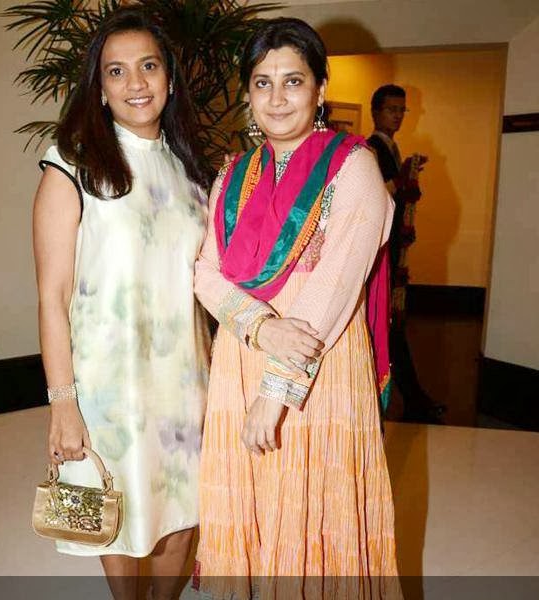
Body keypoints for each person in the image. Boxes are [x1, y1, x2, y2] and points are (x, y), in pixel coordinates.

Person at [187, 18, 403, 600]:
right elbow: (205, 274)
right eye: (262, 83)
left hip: (318, 362)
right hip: (245, 351)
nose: (276, 98)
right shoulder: (231, 175)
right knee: (254, 492)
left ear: (320, 88)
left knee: (312, 500)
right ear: (248, 93)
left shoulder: (353, 168)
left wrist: (276, 387)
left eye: (293, 81)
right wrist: (260, 327)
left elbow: (333, 286)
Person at [32, 7, 212, 599]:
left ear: (169, 77)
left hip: (186, 378)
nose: (136, 83)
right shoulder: (73, 163)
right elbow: (52, 296)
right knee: (114, 518)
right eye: (117, 71)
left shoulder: (192, 172)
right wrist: (63, 404)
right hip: (108, 386)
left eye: (148, 66)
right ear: (100, 87)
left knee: (180, 514)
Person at [367, 85, 446, 424]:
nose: (397, 116)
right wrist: (403, 176)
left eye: (402, 110)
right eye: (391, 110)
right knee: (390, 327)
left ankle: (413, 398)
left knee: (393, 327)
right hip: (381, 252)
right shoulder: (372, 148)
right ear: (376, 113)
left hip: (392, 249)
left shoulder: (391, 147)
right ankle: (412, 399)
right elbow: (377, 195)